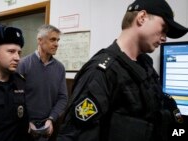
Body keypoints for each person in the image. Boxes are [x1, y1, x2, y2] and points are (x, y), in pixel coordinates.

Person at [57, 0, 188, 141]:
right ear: (142, 17)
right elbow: (73, 135)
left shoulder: (145, 65)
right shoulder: (101, 72)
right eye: (163, 28)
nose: (164, 38)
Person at [17, 24, 68, 141]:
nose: (56, 44)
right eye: (52, 39)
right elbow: (16, 97)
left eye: (57, 40)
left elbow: (63, 97)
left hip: (47, 126)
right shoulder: (23, 64)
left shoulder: (60, 68)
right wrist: (27, 120)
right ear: (40, 41)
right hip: (24, 125)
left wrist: (51, 119)